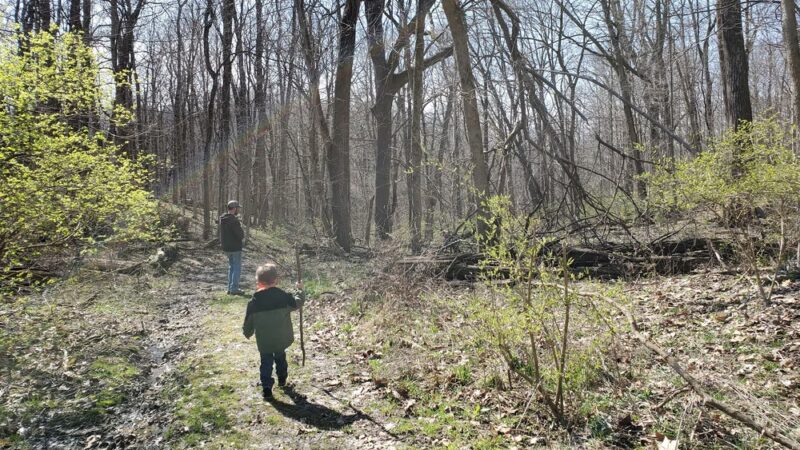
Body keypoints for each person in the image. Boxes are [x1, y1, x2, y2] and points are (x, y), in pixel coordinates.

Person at [242, 263, 305, 399]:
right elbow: (297, 303)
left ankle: (266, 388)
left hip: (265, 341)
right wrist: (299, 290)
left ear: (258, 282)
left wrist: (247, 332)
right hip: (281, 339)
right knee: (280, 357)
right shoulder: (283, 297)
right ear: (276, 280)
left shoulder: (254, 302)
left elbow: (248, 323)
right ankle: (282, 380)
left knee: (266, 362)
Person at [220, 200, 245, 295]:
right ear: (234, 209)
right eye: (237, 208)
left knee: (231, 267)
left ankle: (230, 288)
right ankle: (234, 288)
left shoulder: (223, 219)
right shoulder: (234, 220)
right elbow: (240, 235)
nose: (238, 210)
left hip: (226, 247)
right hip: (235, 247)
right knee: (236, 268)